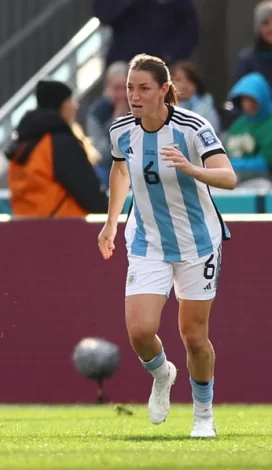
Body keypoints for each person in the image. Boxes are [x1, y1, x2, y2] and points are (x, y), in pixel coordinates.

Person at [99, 54, 237, 439]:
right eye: (130, 88)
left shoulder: (193, 127)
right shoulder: (121, 130)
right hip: (148, 241)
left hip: (198, 243)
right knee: (140, 331)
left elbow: (228, 177)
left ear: (164, 90)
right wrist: (111, 222)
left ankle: (203, 415)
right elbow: (120, 169)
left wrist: (191, 169)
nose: (134, 96)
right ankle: (162, 374)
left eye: (144, 88)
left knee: (194, 336)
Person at [5, 79, 108, 218]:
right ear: (62, 105)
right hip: (62, 225)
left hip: (24, 224)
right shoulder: (61, 143)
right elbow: (90, 194)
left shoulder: (24, 141)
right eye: (71, 100)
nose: (75, 106)